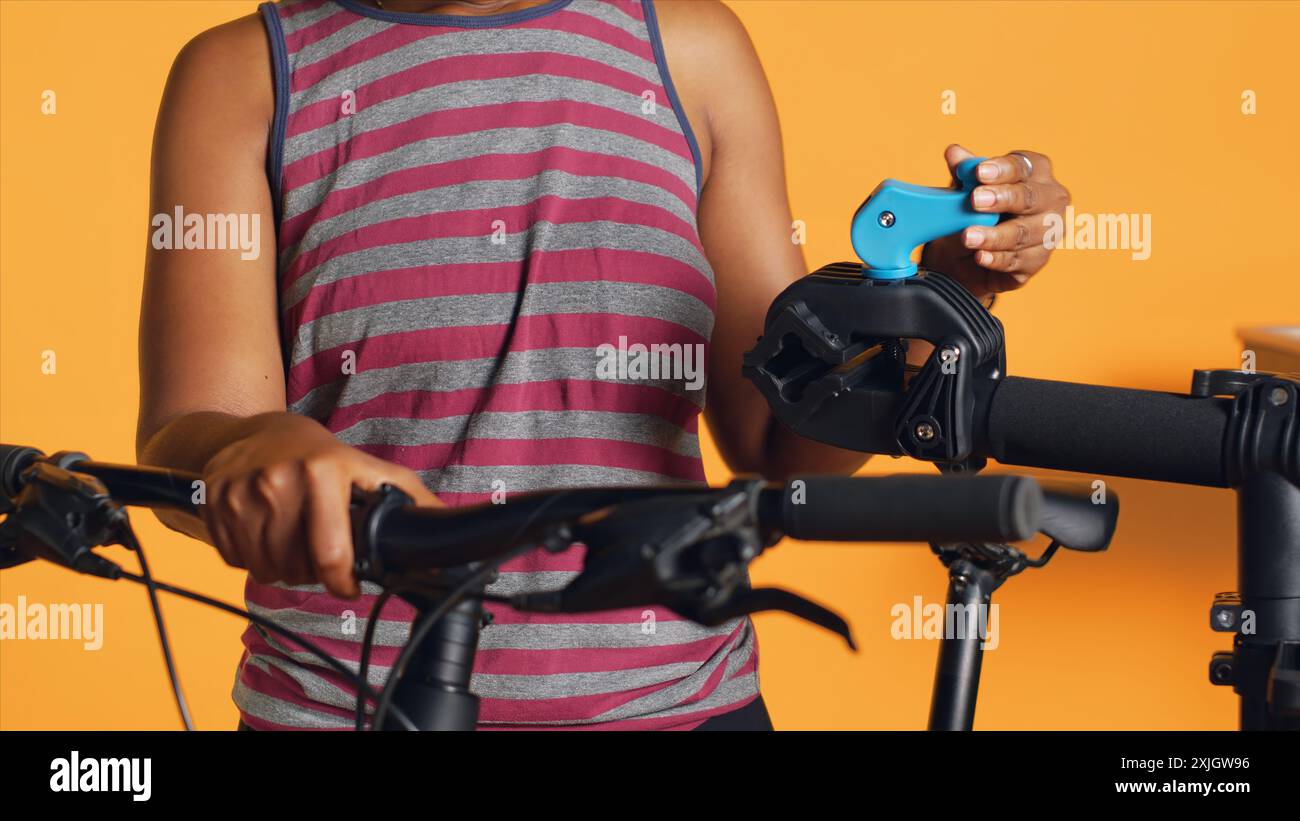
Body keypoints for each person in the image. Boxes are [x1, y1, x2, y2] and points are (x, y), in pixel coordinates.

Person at [137, 0, 1070, 730]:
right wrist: (261, 442)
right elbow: (185, 435)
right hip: (346, 704)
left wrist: (940, 299)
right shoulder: (245, 74)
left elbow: (782, 442)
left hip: (675, 708)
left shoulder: (692, 55)